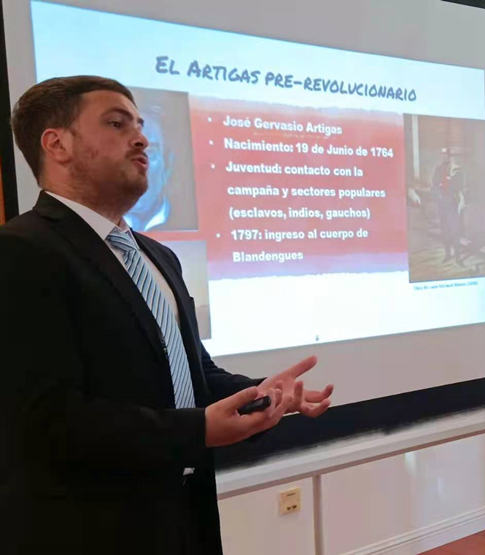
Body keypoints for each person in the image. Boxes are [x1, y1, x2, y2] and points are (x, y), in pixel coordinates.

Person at [0, 75, 334, 555]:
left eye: (139, 125)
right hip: (89, 529)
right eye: (117, 124)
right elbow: (45, 420)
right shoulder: (21, 252)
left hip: (183, 515)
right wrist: (198, 429)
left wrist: (260, 395)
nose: (141, 138)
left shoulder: (158, 257)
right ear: (57, 145)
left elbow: (192, 374)